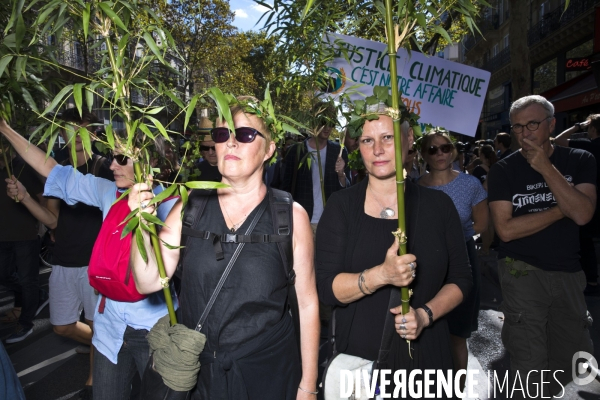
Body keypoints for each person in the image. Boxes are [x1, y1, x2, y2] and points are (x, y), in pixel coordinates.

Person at [129, 96, 320, 399]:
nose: (230, 143)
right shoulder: (189, 206)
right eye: (221, 135)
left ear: (269, 149)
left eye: (244, 134)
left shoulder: (290, 216)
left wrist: (308, 385)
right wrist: (139, 223)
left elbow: (307, 304)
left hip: (267, 373)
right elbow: (147, 280)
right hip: (200, 376)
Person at [0, 119, 178, 400]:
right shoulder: (107, 192)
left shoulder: (171, 202)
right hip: (108, 327)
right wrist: (6, 129)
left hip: (153, 327)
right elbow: (52, 171)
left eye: (121, 159)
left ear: (150, 160)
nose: (111, 166)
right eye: (111, 158)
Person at [316, 104, 472, 397]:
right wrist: (381, 275)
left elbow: (461, 279)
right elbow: (326, 287)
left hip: (427, 364)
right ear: (356, 147)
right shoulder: (341, 207)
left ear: (409, 138)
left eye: (387, 138)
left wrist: (424, 316)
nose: (377, 149)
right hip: (360, 367)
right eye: (367, 140)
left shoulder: (439, 207)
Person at [487, 95, 596, 397]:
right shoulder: (503, 170)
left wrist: (546, 168)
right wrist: (565, 206)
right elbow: (506, 230)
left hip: (569, 274)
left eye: (532, 124)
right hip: (521, 272)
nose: (525, 133)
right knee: (529, 362)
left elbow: (584, 214)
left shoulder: (579, 159)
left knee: (574, 361)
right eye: (518, 127)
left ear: (550, 125)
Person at [6, 109, 113, 398]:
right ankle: (105, 342)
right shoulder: (57, 170)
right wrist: (27, 198)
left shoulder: (105, 168)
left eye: (84, 127)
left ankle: (93, 384)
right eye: (70, 128)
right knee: (62, 326)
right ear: (62, 133)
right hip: (64, 260)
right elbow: (51, 221)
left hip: (95, 264)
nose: (77, 134)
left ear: (93, 132)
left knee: (96, 323)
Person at [417, 130, 487, 390]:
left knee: (458, 333)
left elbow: (481, 224)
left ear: (453, 150)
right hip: (428, 262)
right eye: (433, 149)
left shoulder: (470, 184)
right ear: (424, 154)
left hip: (461, 259)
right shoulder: (414, 187)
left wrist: (454, 237)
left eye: (445, 148)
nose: (440, 154)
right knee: (428, 330)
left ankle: (456, 391)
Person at [0, 149, 46, 344]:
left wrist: (46, 224)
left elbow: (42, 197)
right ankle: (34, 295)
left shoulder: (23, 168)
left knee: (28, 280)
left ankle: (25, 323)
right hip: (3, 236)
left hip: (25, 234)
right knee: (3, 274)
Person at [281, 104, 349, 233]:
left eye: (331, 123)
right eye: (323, 122)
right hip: (302, 219)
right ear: (314, 121)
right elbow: (285, 187)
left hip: (330, 219)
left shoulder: (339, 151)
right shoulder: (295, 151)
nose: (327, 128)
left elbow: (347, 188)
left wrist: (341, 174)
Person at [554, 114, 600, 295]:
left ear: (592, 128)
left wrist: (578, 126)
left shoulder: (589, 146)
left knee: (585, 240)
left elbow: (558, 140)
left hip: (590, 196)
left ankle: (591, 282)